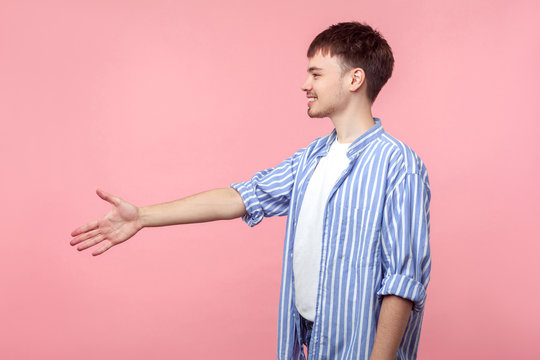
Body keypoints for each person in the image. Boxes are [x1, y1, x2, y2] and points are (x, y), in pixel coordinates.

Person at [70, 22, 431, 360]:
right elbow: (240, 196)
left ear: (355, 79)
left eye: (316, 74)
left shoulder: (399, 165)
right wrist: (144, 216)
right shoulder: (311, 159)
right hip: (309, 343)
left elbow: (402, 282)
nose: (305, 84)